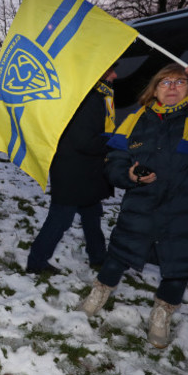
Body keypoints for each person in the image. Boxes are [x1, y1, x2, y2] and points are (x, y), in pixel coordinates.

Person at [79, 62, 188, 349]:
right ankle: (100, 293)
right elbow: (115, 160)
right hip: (143, 205)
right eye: (165, 83)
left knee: (178, 267)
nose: (172, 88)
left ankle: (162, 314)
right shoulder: (138, 119)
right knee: (119, 255)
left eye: (180, 82)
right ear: (154, 90)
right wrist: (127, 175)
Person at [26, 66, 117, 274]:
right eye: (110, 71)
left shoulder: (90, 95)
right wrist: (114, 142)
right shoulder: (89, 99)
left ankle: (98, 257)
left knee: (92, 214)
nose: (115, 76)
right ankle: (36, 261)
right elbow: (84, 140)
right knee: (60, 219)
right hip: (73, 173)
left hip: (84, 171)